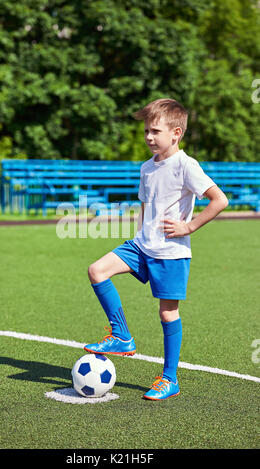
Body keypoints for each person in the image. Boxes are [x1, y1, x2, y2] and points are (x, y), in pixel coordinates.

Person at [84, 98, 229, 400]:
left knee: (167, 313)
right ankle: (122, 336)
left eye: (155, 131)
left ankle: (169, 379)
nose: (149, 137)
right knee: (97, 271)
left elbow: (220, 200)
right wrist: (136, 230)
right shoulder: (146, 168)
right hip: (141, 245)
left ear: (176, 133)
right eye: (146, 131)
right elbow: (145, 206)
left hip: (171, 253)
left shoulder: (186, 165)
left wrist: (188, 227)